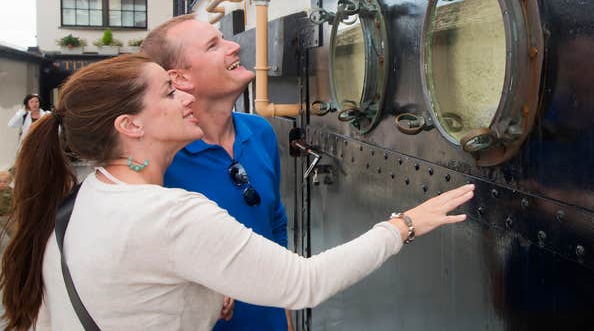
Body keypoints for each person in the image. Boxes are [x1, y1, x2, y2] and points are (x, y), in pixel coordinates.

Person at [0, 54, 474, 330]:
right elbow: (304, 283)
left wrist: (203, 293)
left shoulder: (84, 198)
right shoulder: (168, 215)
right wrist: (405, 225)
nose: (184, 96)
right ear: (130, 125)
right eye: (168, 92)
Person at [140, 15, 292, 330]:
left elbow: (274, 222)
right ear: (179, 78)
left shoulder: (260, 131)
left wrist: (285, 314)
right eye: (214, 45)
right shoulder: (159, 158)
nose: (235, 45)